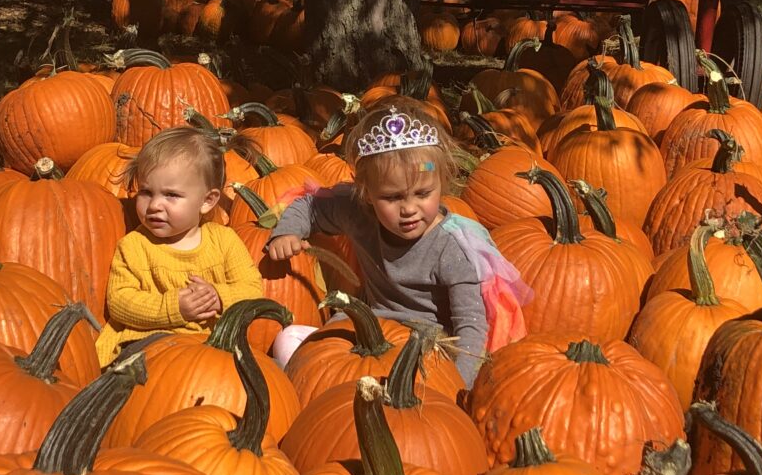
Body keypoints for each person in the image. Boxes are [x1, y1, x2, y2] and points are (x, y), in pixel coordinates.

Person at [266, 99, 531, 386]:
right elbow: (312, 207)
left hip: (424, 347)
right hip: (366, 329)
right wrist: (287, 233)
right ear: (367, 193)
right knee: (287, 341)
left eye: (423, 193)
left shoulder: (453, 248)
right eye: (392, 198)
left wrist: (457, 387)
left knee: (392, 388)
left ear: (442, 183)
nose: (409, 208)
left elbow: (472, 328)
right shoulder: (359, 214)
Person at [95, 127, 264, 365]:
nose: (154, 205)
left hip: (214, 347)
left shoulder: (224, 242)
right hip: (149, 343)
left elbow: (253, 290)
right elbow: (120, 303)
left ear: (207, 201)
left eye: (171, 195)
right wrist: (172, 308)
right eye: (146, 192)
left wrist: (219, 297)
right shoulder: (134, 246)